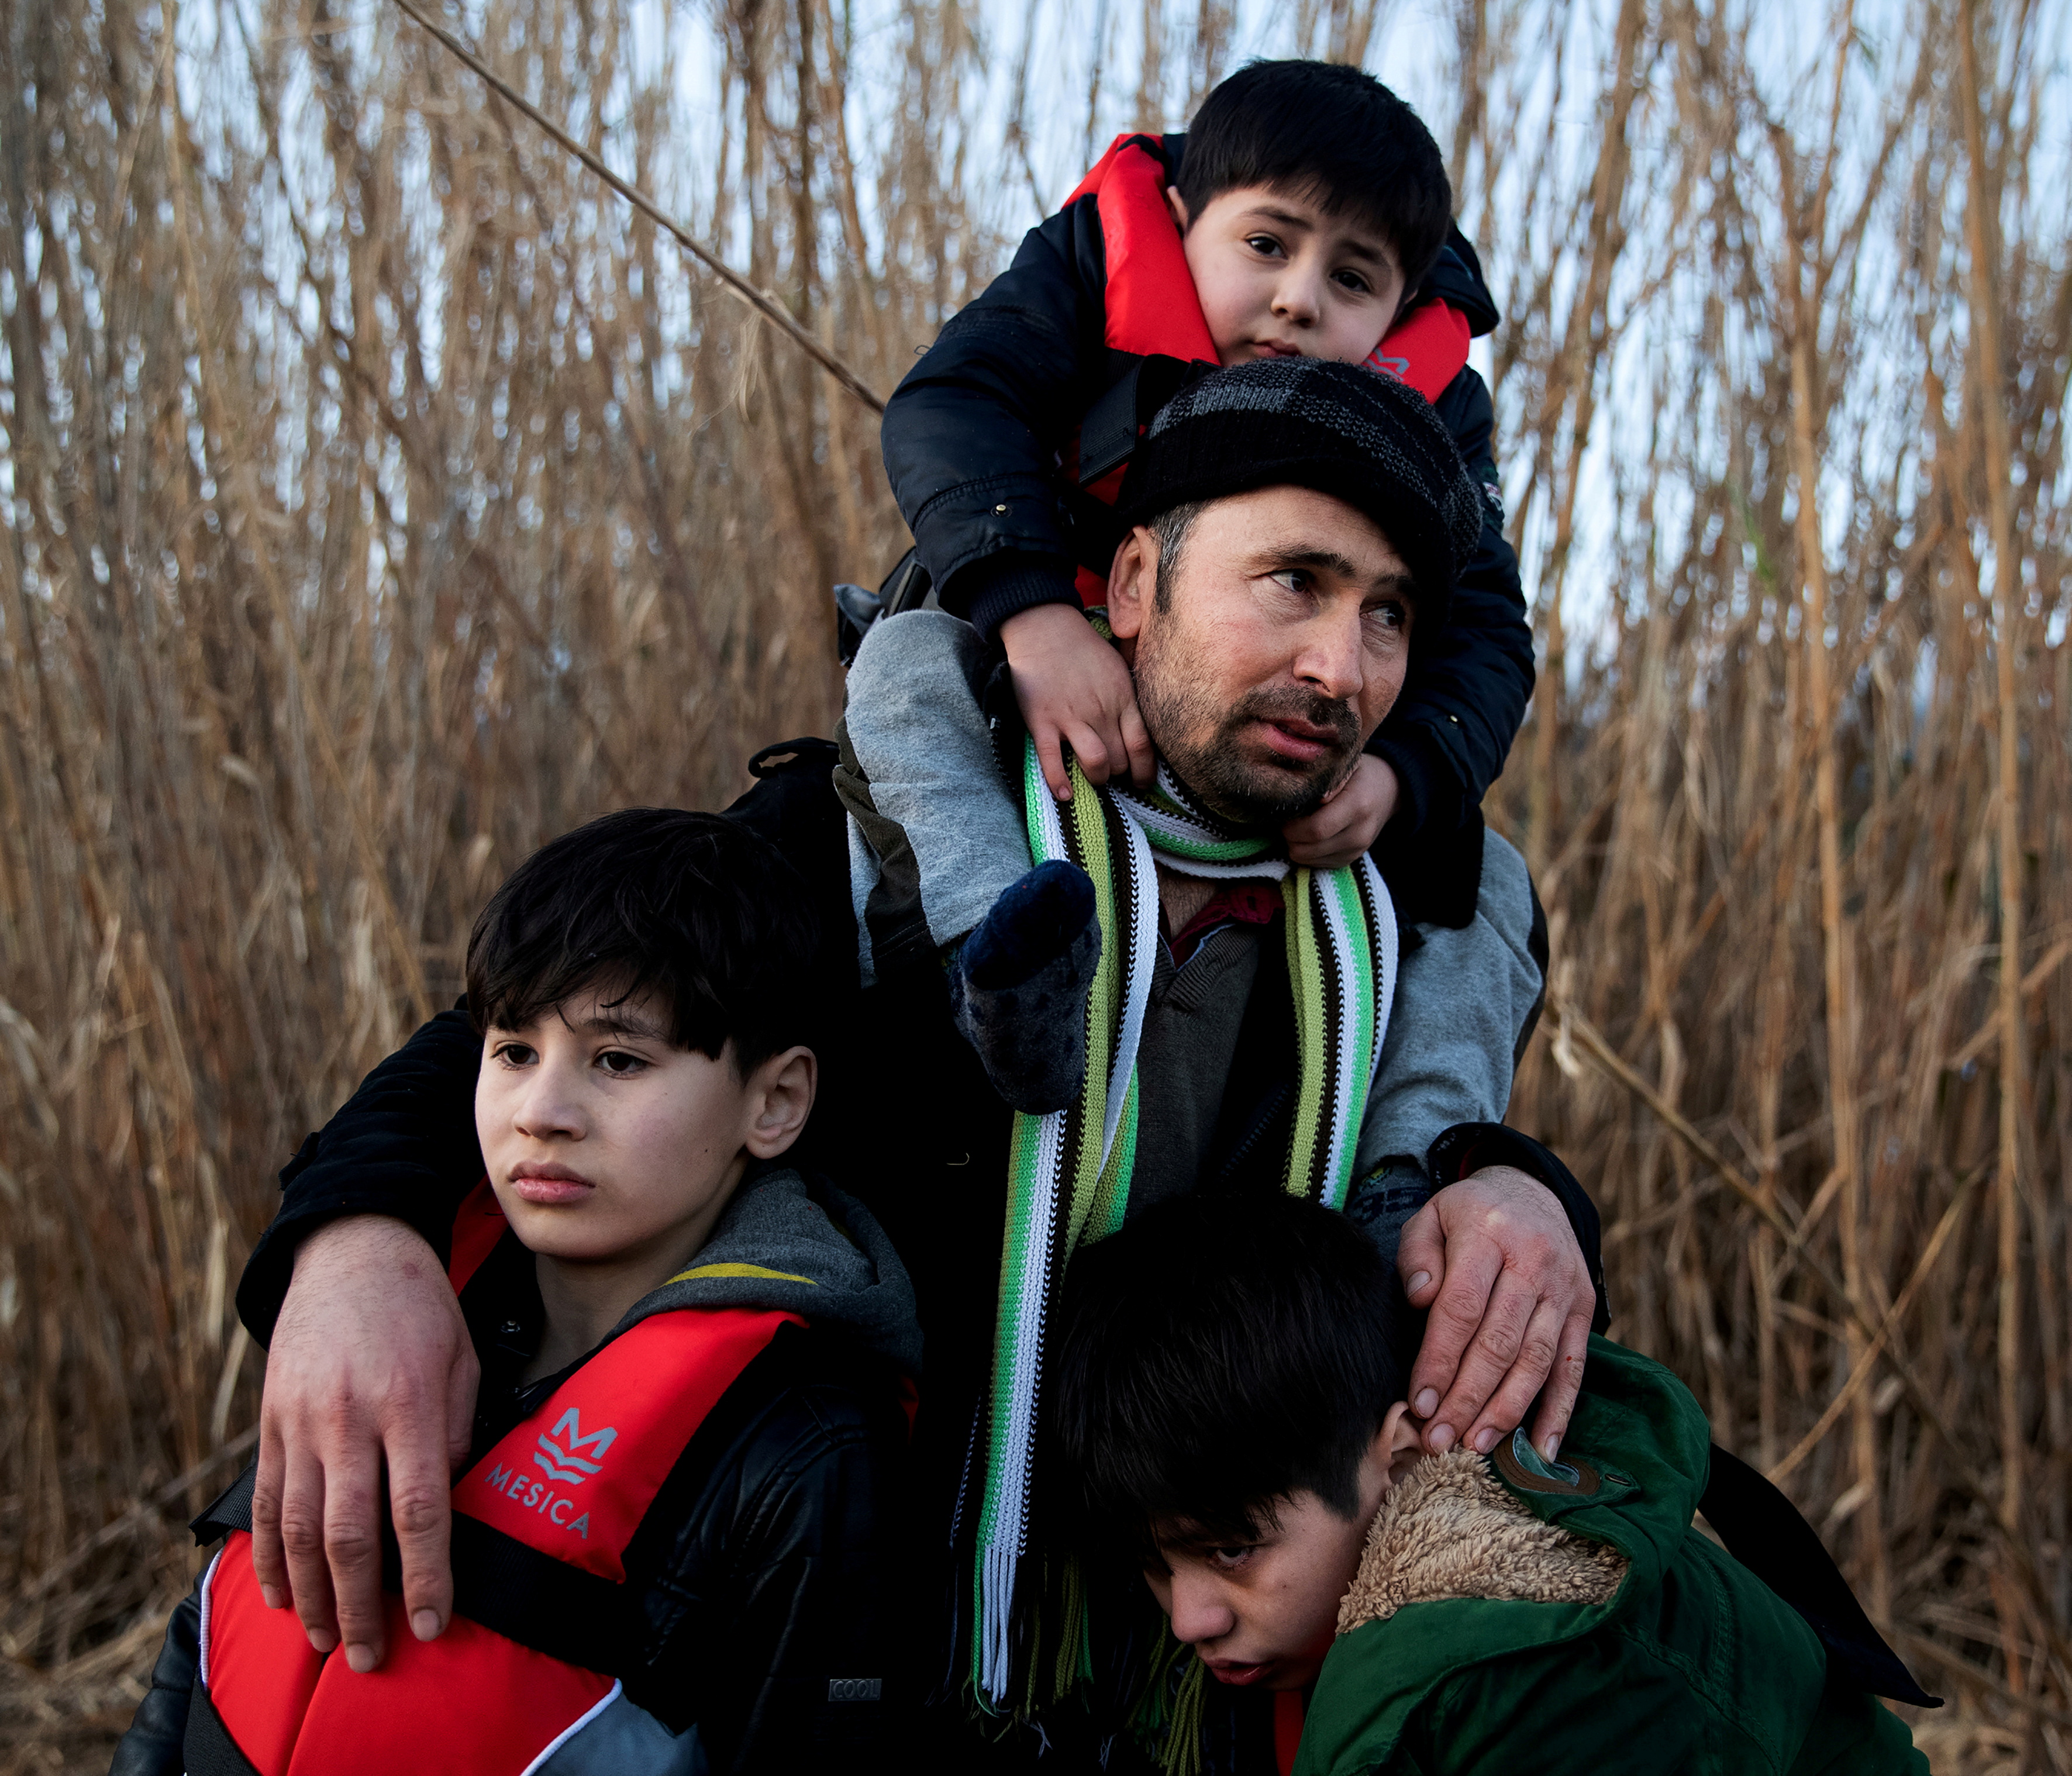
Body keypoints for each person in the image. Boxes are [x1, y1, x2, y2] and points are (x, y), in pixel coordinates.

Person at [226, 360, 1603, 1772]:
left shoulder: (1398, 921)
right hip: (846, 1661)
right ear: (1130, 583)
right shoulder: (877, 836)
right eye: (1292, 582)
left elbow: (1427, 1193)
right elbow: (529, 1031)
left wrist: (1521, 1190)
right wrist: (351, 1247)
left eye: (1387, 615)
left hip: (1201, 1692)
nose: (1340, 664)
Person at [111, 811, 919, 1775]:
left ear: (775, 1100)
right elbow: (191, 1664)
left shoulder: (804, 1450)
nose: (541, 1113)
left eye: (619, 1060)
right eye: (513, 1051)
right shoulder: (385, 1312)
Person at [867, 58, 1527, 1036]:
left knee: (1484, 870)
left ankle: (1416, 1163)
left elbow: (1484, 625)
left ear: (1403, 302)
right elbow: (953, 402)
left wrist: (1407, 776)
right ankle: (995, 967)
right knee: (906, 663)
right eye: (1266, 243)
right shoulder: (1088, 263)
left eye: (1352, 278)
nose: (1300, 299)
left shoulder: (1444, 409)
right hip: (1046, 623)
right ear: (1180, 216)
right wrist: (1038, 619)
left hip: (1258, 709)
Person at [1050, 1192, 1931, 1776]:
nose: (1188, 1617)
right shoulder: (1415, 1601)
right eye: (1157, 1563)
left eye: (1232, 1548)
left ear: (1396, 1460)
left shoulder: (1512, 1678)